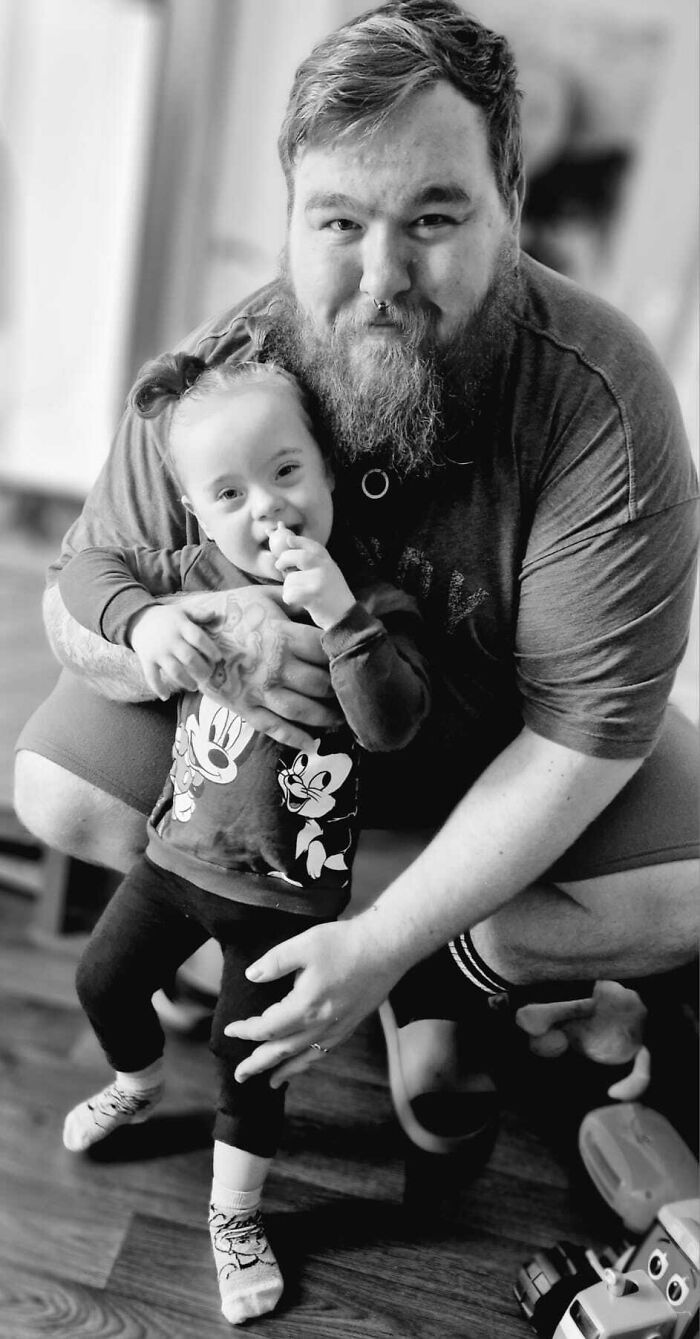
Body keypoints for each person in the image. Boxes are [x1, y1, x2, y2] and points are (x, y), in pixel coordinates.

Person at [15, 0, 699, 1166]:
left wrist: (385, 946)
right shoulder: (219, 377)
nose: (382, 277)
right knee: (56, 789)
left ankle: (436, 974)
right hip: (273, 768)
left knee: (683, 898)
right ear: (290, 212)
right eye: (339, 221)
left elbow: (580, 739)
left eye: (433, 217)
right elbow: (71, 599)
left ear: (509, 205)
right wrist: (176, 630)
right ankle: (249, 929)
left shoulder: (601, 399)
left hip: (493, 748)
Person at [57, 353, 430, 1325]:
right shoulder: (195, 577)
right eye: (228, 493)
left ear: (328, 472)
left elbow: (392, 722)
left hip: (286, 898)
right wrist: (144, 623)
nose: (265, 506)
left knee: (248, 1061)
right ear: (196, 510)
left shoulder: (376, 604)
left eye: (286, 471)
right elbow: (87, 566)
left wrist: (339, 613)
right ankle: (136, 1081)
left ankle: (236, 1215)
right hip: (174, 861)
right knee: (102, 980)